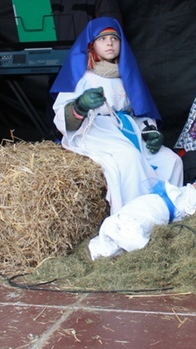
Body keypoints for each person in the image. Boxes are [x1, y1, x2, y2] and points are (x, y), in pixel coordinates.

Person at [50, 16, 183, 214]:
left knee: (171, 160)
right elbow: (61, 117)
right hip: (96, 132)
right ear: (92, 45)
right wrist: (80, 106)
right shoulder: (82, 78)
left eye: (114, 38)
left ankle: (168, 212)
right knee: (129, 160)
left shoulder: (126, 77)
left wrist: (150, 132)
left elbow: (139, 110)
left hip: (128, 130)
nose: (110, 43)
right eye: (102, 39)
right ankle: (133, 218)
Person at [88, 180, 196, 260]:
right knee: (127, 217)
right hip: (151, 203)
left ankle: (120, 242)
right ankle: (115, 230)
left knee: (138, 229)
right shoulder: (178, 192)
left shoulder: (191, 203)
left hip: (160, 211)